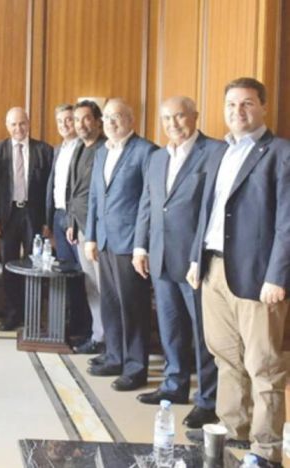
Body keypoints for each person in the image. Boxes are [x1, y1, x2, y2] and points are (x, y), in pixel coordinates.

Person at [186, 78, 289, 466]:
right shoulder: (220, 152)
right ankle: (233, 434)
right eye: (231, 104)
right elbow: (207, 212)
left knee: (264, 366)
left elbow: (287, 222)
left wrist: (277, 276)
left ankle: (265, 450)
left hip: (258, 277)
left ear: (263, 106)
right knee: (226, 358)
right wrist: (196, 260)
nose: (238, 111)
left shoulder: (280, 153)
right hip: (214, 270)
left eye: (246, 103)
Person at [132, 96, 218, 429]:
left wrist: (199, 256)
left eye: (179, 116)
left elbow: (212, 209)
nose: (173, 124)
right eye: (166, 118)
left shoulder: (214, 152)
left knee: (202, 331)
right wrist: (140, 246)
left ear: (195, 116)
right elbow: (148, 203)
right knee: (170, 326)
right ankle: (174, 384)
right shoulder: (156, 157)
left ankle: (207, 399)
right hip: (160, 255)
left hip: (194, 260)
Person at [84, 98, 157, 391]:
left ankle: (136, 368)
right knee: (111, 304)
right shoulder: (102, 151)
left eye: (117, 116)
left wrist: (141, 245)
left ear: (131, 119)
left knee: (133, 307)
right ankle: (114, 357)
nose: (111, 122)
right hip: (104, 240)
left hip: (129, 243)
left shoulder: (146, 151)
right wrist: (91, 236)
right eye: (107, 117)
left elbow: (148, 202)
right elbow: (94, 196)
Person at [0, 107, 52, 331]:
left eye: (22, 123)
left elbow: (49, 189)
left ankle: (33, 315)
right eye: (14, 124)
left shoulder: (44, 150)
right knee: (9, 265)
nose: (18, 128)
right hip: (7, 216)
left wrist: (48, 221)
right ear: (7, 126)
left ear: (29, 123)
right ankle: (11, 314)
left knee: (35, 265)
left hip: (34, 215)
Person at [60, 100, 106, 354]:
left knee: (103, 287)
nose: (80, 124)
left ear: (98, 121)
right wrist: (71, 222)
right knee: (91, 286)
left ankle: (109, 340)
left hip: (97, 231)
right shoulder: (79, 148)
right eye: (77, 120)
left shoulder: (104, 149)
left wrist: (93, 233)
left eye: (86, 119)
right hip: (80, 227)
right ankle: (98, 336)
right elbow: (73, 190)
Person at [45, 104, 91, 344]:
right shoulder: (57, 149)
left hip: (77, 220)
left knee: (84, 275)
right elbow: (52, 187)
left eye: (68, 120)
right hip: (59, 217)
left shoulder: (85, 149)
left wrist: (72, 219)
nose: (64, 125)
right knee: (66, 274)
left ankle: (88, 328)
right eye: (60, 121)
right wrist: (48, 222)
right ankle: (73, 324)